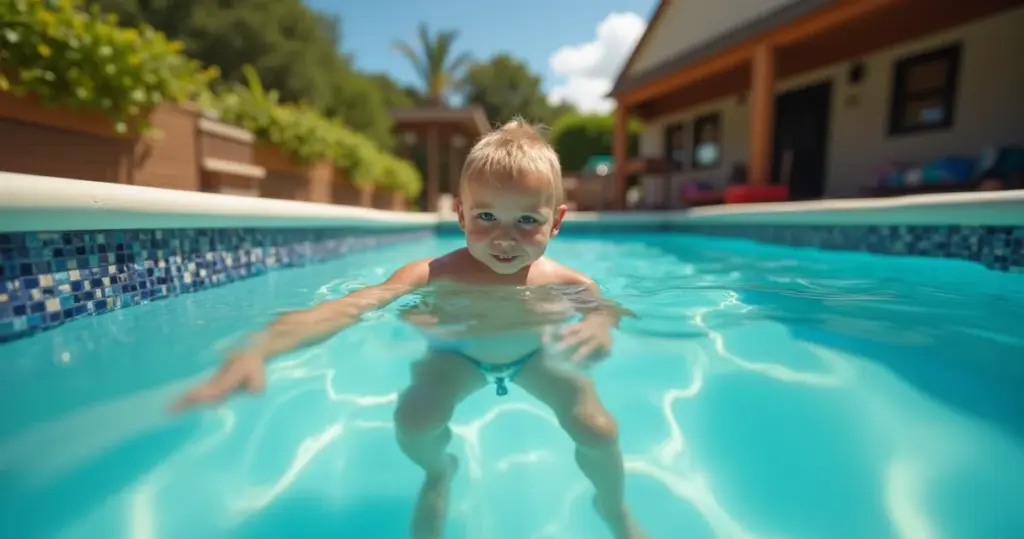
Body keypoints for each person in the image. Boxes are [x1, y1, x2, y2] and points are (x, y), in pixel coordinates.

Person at [171, 118, 646, 539]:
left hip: (533, 357)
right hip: (456, 357)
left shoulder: (565, 281)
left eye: (527, 220)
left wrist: (600, 324)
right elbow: (350, 307)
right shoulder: (431, 274)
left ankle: (614, 506)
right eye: (486, 217)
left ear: (556, 221)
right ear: (460, 213)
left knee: (599, 430)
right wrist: (260, 347)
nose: (505, 237)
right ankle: (439, 472)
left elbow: (609, 310)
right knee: (414, 421)